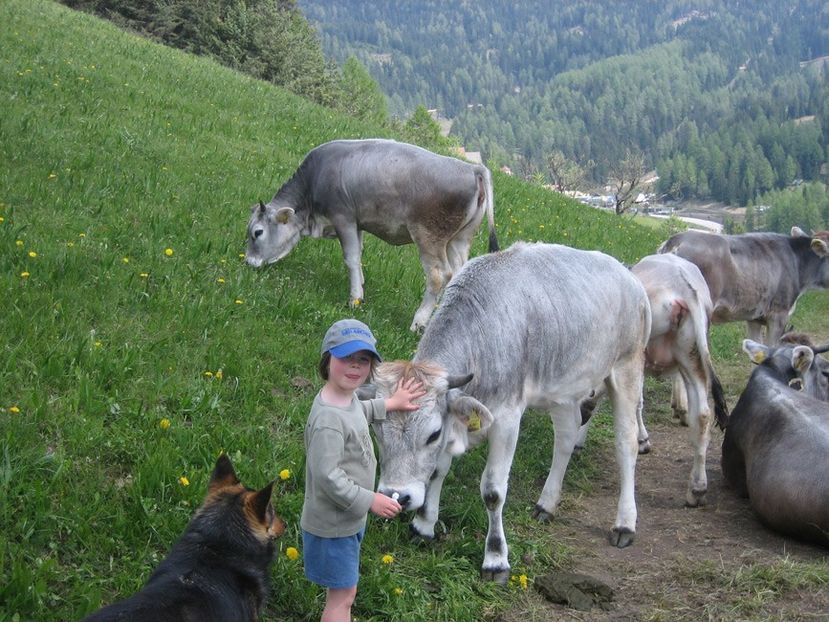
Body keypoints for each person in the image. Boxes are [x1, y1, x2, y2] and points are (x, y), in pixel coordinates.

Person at [301, 319, 425, 622]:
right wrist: (370, 500)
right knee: (342, 598)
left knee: (346, 593)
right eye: (346, 358)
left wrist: (391, 403)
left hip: (345, 519)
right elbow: (329, 478)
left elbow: (361, 412)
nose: (355, 367)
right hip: (332, 527)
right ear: (327, 359)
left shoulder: (345, 400)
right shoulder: (328, 421)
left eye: (363, 360)